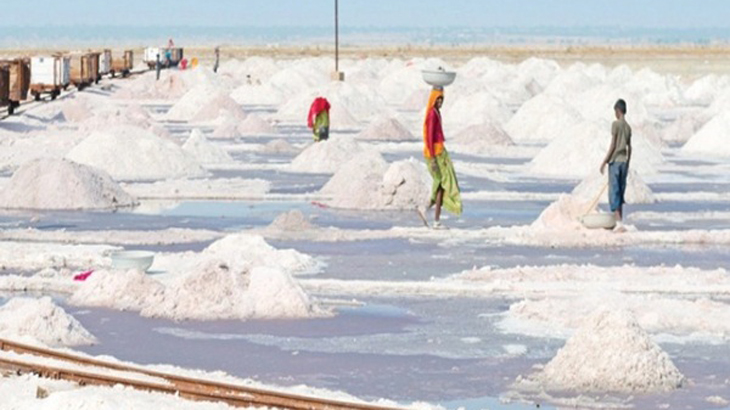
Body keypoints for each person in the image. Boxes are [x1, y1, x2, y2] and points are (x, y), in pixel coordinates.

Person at [421, 87, 462, 229]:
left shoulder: (436, 112)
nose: (440, 102)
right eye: (438, 99)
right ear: (433, 99)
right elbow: (430, 136)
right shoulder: (432, 114)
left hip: (440, 151)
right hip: (436, 154)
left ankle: (434, 217)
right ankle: (429, 211)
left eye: (441, 99)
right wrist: (432, 159)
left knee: (442, 185)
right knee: (441, 183)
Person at [600, 98, 632, 227]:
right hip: (624, 162)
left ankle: (617, 221)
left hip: (615, 162)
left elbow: (613, 145)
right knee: (621, 190)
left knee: (614, 191)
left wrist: (604, 161)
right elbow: (630, 147)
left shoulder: (616, 125)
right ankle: (620, 221)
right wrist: (628, 162)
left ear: (618, 111)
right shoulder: (628, 127)